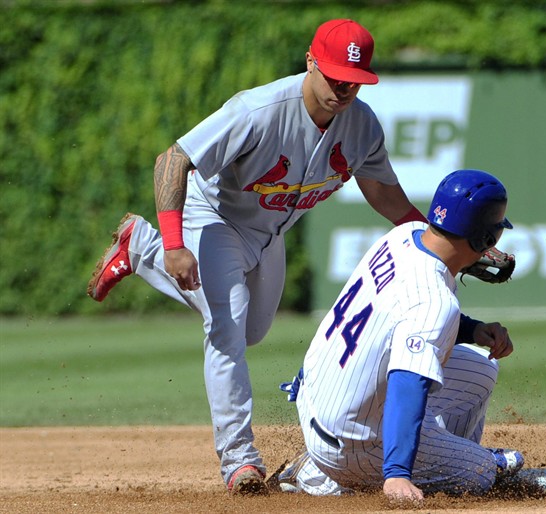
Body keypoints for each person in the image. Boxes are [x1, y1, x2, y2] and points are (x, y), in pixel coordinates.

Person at [86, 19, 431, 495]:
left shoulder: (361, 125)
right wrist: (173, 242)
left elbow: (386, 196)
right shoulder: (259, 110)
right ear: (310, 61)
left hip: (269, 234)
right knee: (226, 326)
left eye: (353, 80)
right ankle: (239, 460)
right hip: (216, 217)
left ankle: (137, 247)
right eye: (332, 75)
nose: (343, 88)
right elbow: (172, 159)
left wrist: (441, 241)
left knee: (252, 331)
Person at [272, 169, 524, 503]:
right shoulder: (434, 302)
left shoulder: (406, 234)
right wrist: (397, 475)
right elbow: (408, 382)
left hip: (318, 394)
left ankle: (435, 453)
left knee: (482, 370)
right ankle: (321, 474)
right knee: (481, 473)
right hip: (350, 444)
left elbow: (401, 314)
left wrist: (474, 329)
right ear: (483, 240)